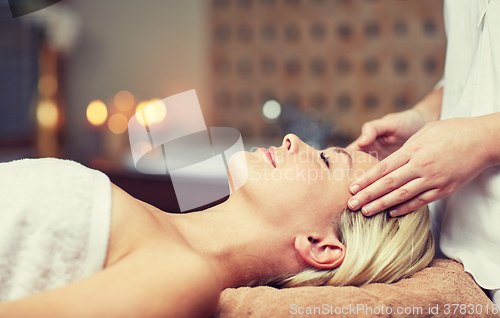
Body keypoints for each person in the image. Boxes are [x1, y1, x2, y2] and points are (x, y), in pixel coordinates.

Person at [0, 134, 435, 318]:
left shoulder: (179, 275)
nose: (292, 140)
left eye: (325, 160)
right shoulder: (148, 219)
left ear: (321, 245)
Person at [346, 0, 500, 304]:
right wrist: (426, 115)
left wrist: (484, 138)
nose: (289, 142)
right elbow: (477, 69)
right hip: (461, 255)